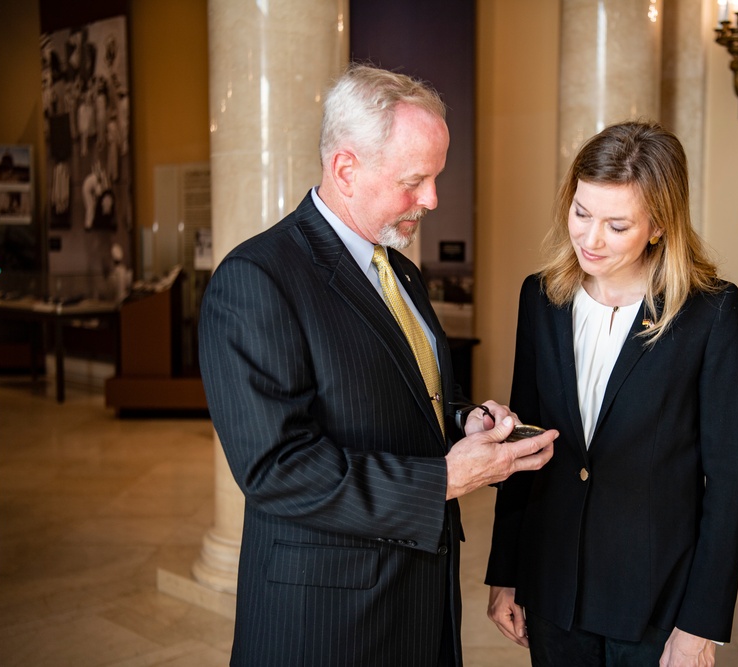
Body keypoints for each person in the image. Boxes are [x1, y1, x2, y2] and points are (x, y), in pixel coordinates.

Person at [199, 63, 557, 667]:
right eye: (415, 180)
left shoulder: (401, 270)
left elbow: (412, 397)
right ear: (345, 168)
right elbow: (277, 469)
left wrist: (465, 424)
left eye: (436, 178)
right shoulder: (257, 280)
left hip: (419, 602)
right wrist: (446, 479)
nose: (433, 199)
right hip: (329, 622)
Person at [485, 121, 738, 667]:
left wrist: (699, 625)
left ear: (658, 227)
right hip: (553, 588)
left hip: (654, 601)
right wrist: (506, 573)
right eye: (581, 213)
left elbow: (728, 482)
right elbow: (522, 446)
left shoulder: (710, 312)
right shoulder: (541, 298)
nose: (590, 238)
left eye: (617, 224)